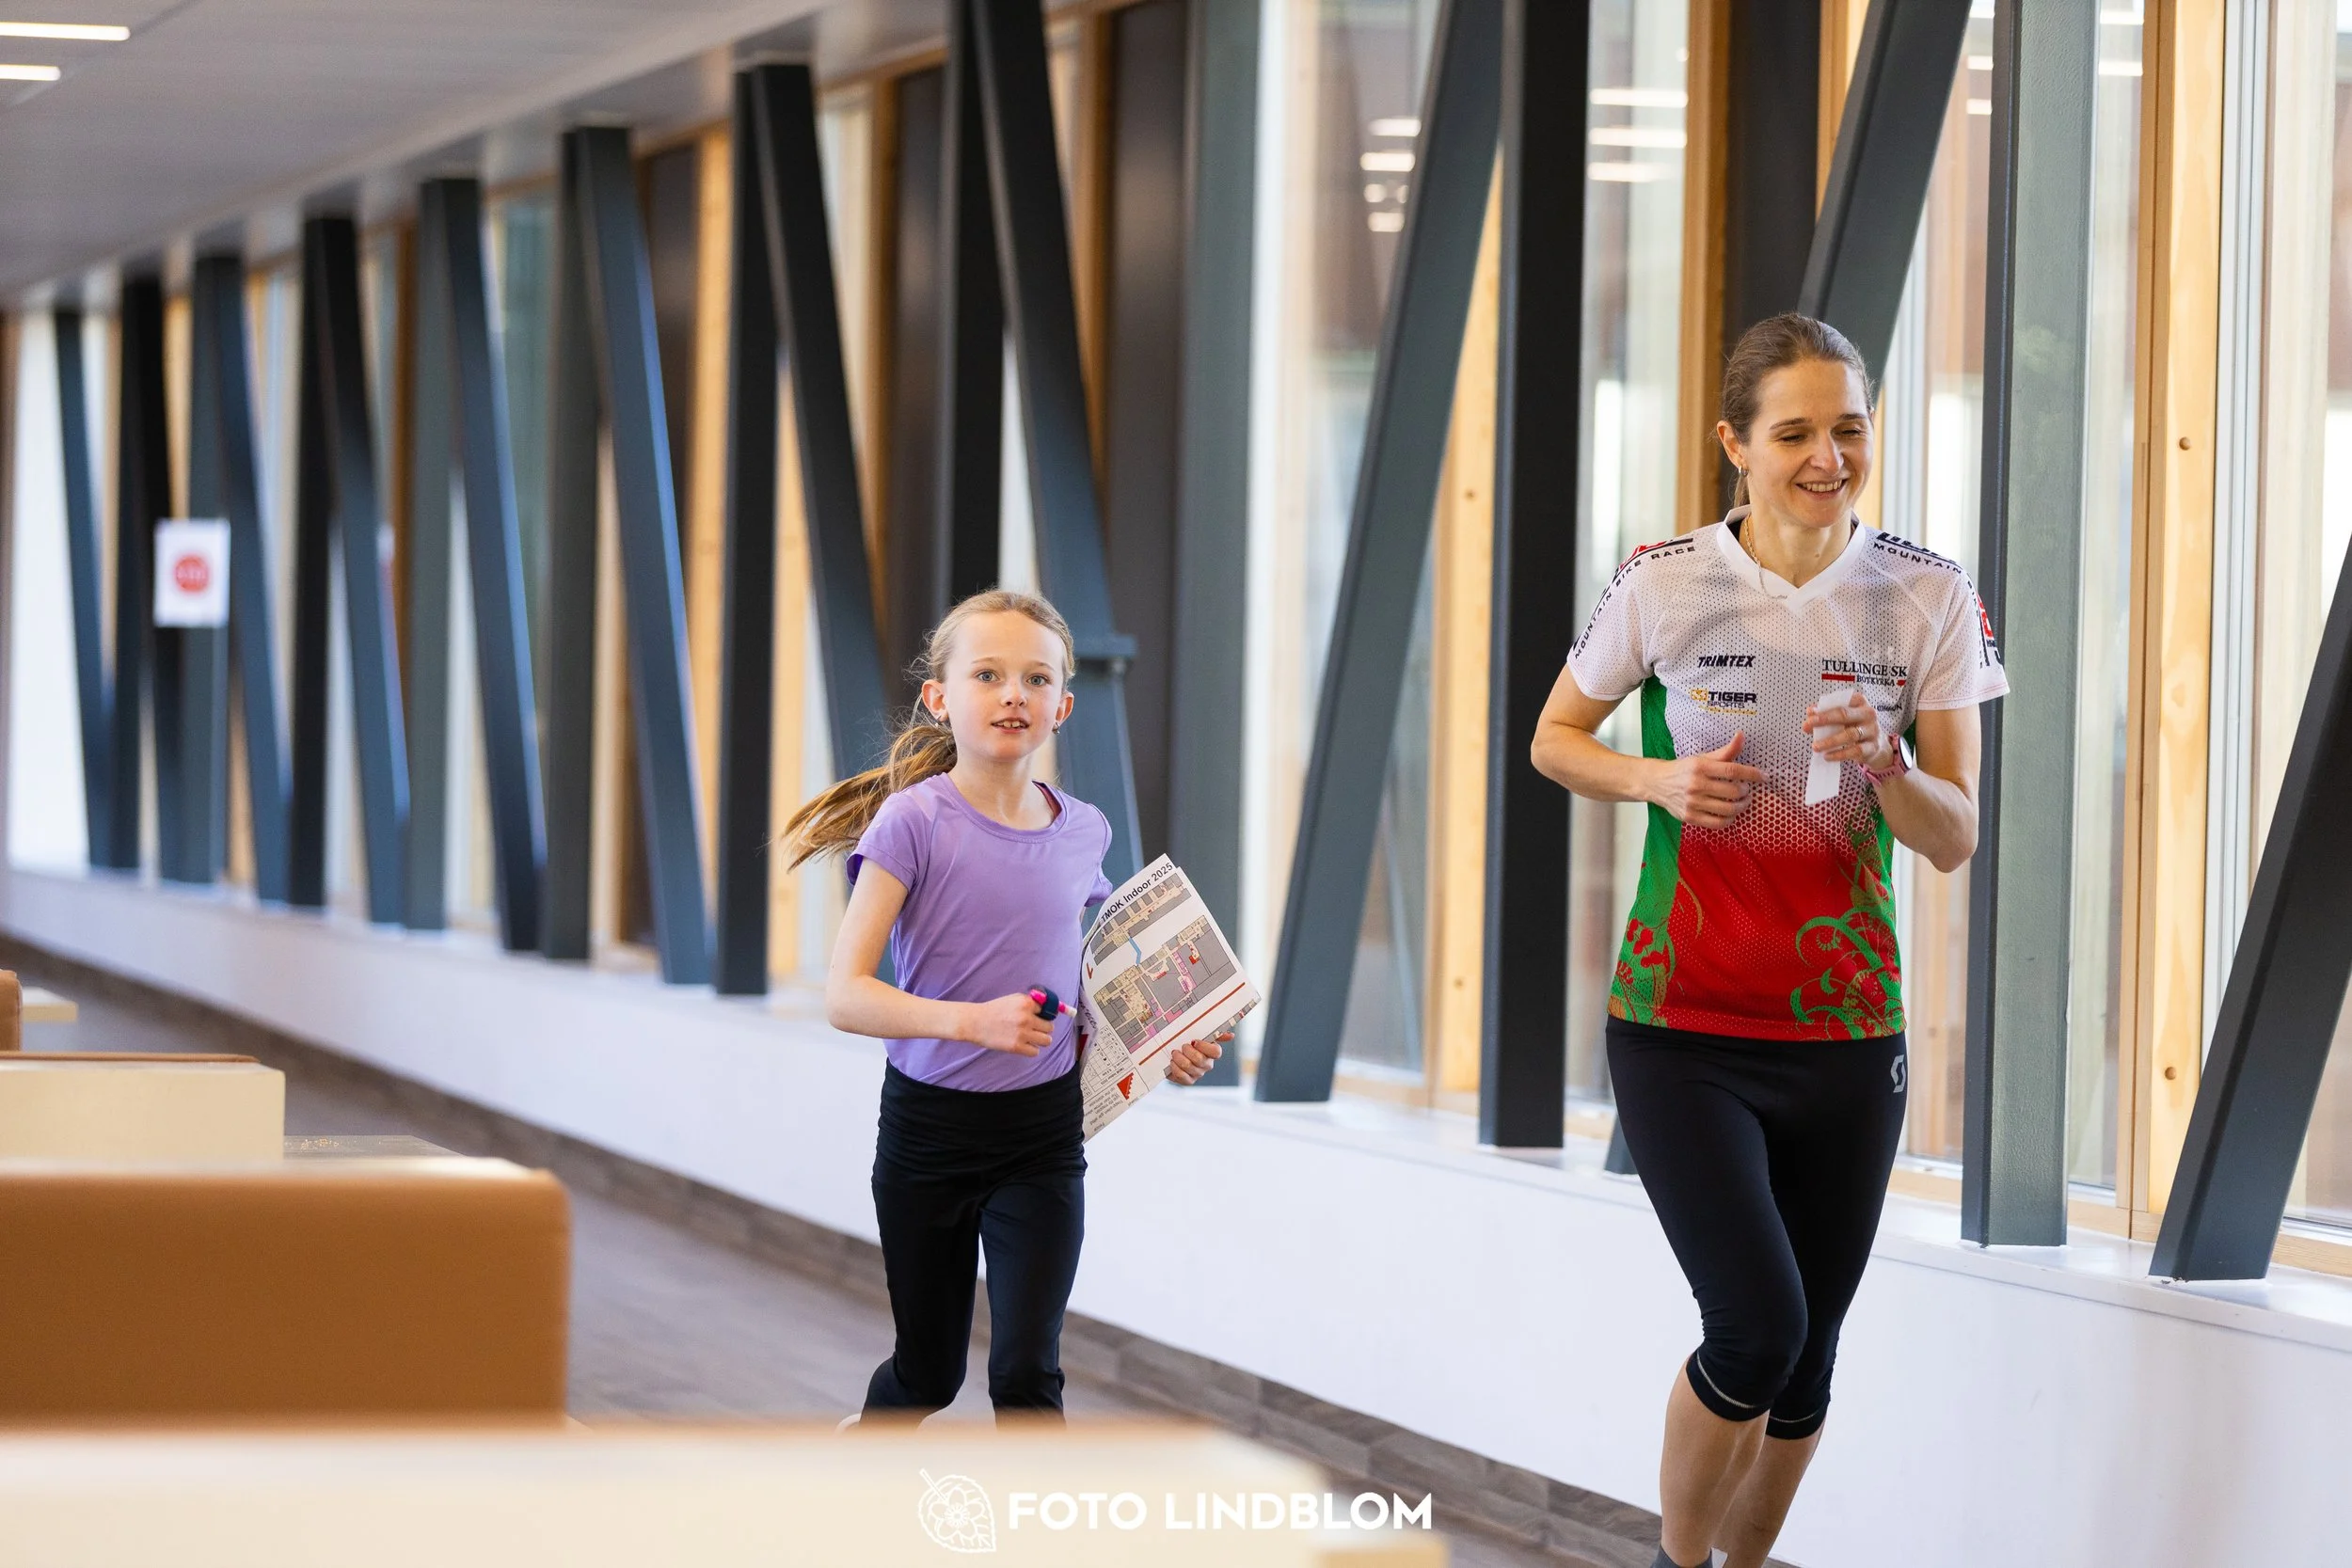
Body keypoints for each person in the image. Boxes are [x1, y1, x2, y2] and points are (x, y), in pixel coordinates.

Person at [1530, 313, 2007, 1568]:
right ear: (1734, 441)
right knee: (1753, 1327)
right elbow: (1555, 737)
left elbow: (1953, 833)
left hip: (1850, 1034)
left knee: (1806, 1362)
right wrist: (1658, 782)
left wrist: (1888, 764)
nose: (1828, 454)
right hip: (1681, 1022)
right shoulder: (1664, 579)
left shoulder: (1928, 593)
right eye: (1794, 431)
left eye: (1847, 426)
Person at [782, 588, 1224, 1424]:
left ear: (1061, 704)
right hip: (928, 1133)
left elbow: (1079, 984)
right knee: (928, 1373)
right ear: (940, 696)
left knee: (1028, 1375)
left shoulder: (1084, 830)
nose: (1012, 693)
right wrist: (971, 1020)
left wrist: (1165, 1040)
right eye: (987, 674)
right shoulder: (911, 823)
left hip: (1041, 1137)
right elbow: (845, 995)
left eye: (1034, 678)